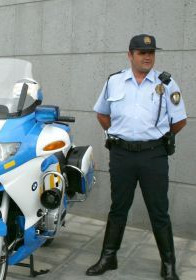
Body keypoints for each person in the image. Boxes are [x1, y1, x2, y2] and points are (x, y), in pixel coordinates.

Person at [88, 34, 187, 280]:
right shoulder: (114, 82)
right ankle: (108, 257)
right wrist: (118, 134)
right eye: (142, 53)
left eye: (151, 52)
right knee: (118, 207)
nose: (147, 57)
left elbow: (180, 121)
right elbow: (102, 114)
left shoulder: (166, 84)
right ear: (130, 55)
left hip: (153, 156)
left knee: (159, 210)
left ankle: (168, 265)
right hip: (122, 155)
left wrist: (156, 137)